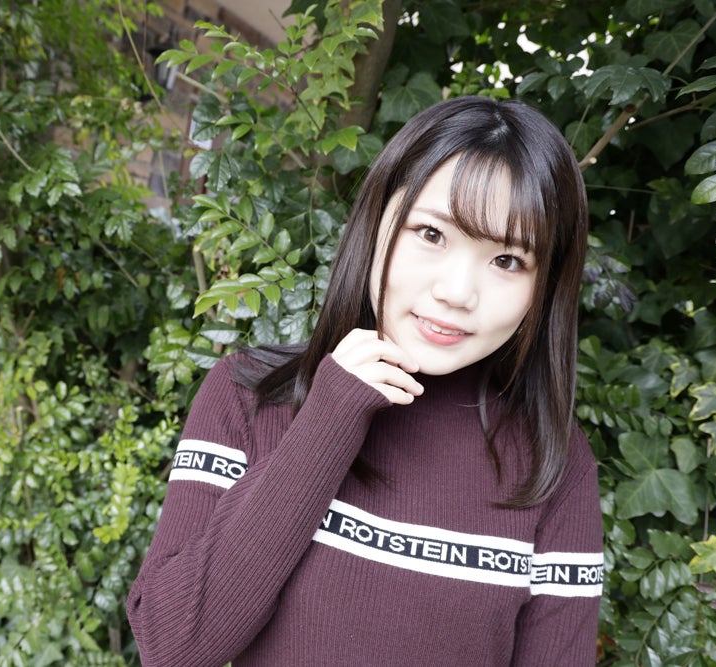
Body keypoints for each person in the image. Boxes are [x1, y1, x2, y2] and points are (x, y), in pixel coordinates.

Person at [126, 95, 603, 666]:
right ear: (376, 222)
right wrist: (328, 419)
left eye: (507, 261)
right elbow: (172, 648)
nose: (457, 292)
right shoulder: (250, 393)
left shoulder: (554, 461)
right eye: (431, 234)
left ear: (544, 287)